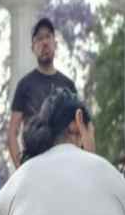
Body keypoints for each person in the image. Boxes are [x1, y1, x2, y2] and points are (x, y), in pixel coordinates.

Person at [7, 17, 77, 168]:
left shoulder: (68, 85)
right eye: (39, 38)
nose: (44, 42)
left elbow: (80, 126)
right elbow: (12, 132)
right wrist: (21, 168)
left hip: (64, 164)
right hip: (35, 163)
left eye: (48, 37)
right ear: (33, 47)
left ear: (55, 43)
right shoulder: (24, 85)